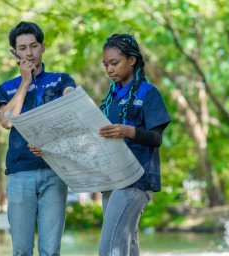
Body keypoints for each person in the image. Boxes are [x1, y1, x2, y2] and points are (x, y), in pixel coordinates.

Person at [0, 21, 76, 256]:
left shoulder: (60, 80)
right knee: (21, 250)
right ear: (14, 52)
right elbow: (7, 121)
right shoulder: (6, 88)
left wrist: (71, 94)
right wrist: (25, 82)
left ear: (43, 47)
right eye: (22, 48)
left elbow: (73, 107)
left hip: (55, 170)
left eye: (33, 46)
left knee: (50, 250)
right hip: (20, 174)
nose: (29, 53)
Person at [98, 34, 171, 256]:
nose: (109, 69)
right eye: (105, 65)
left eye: (114, 63)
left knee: (110, 248)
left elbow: (157, 138)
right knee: (127, 245)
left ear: (132, 60)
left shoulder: (148, 93)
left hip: (136, 178)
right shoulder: (110, 99)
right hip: (111, 178)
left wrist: (130, 132)